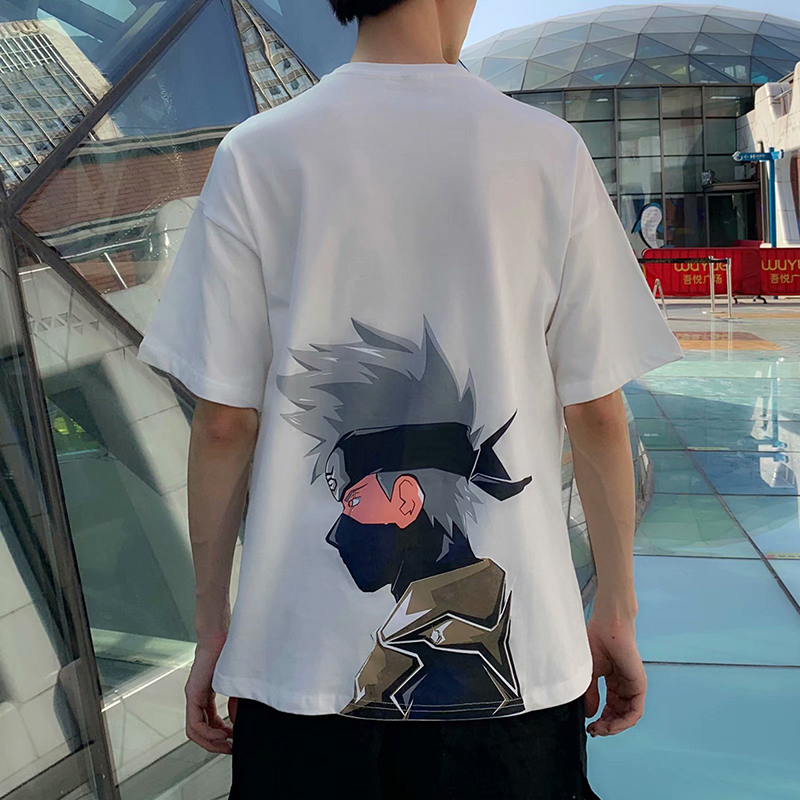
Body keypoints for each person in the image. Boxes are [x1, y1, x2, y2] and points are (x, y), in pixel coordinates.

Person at [136, 0, 684, 797]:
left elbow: (223, 423)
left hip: (295, 684)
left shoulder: (258, 153)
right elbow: (597, 414)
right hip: (517, 709)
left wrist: (213, 626)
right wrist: (618, 615)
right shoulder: (545, 152)